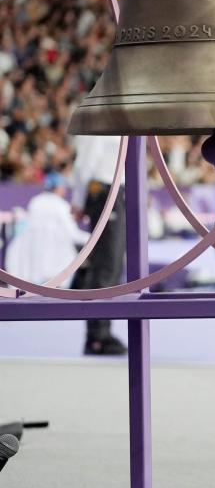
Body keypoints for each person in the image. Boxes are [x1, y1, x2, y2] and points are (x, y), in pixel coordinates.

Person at [70, 135, 128, 356]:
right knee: (105, 264)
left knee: (111, 264)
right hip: (103, 190)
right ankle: (97, 335)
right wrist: (78, 199)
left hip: (115, 190)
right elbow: (85, 162)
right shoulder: (100, 116)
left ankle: (101, 330)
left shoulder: (116, 119)